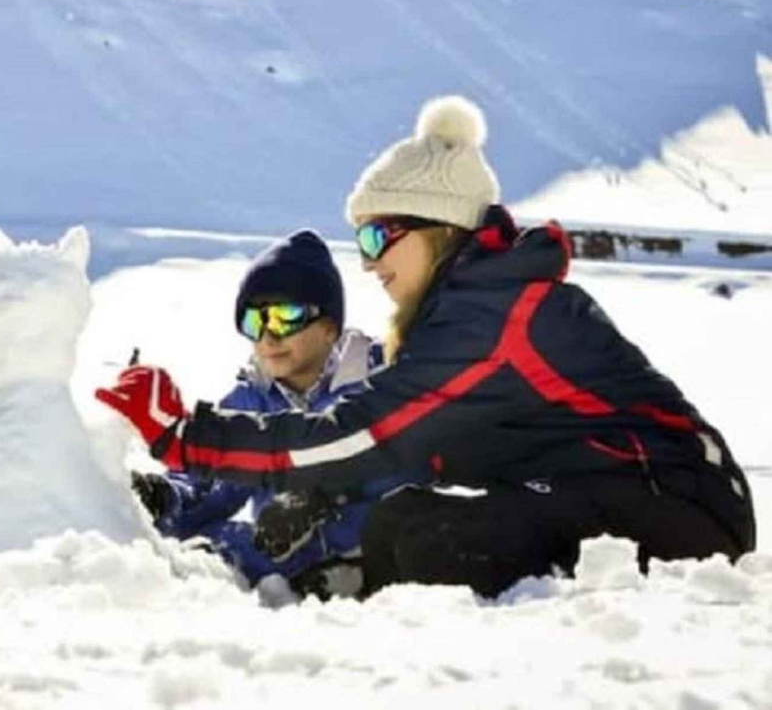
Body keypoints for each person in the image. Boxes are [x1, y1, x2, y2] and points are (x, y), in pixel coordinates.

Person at [98, 95, 755, 598]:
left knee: (430, 536)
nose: (368, 263)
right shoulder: (471, 309)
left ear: (438, 227)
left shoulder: (494, 315)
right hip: (626, 494)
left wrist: (185, 436)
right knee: (409, 525)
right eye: (361, 242)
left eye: (377, 237)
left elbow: (365, 433)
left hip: (677, 502)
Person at [130, 230, 401, 596]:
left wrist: (322, 497)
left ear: (329, 328)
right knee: (206, 547)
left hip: (379, 545)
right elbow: (214, 480)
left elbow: (408, 461)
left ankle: (353, 573)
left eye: (285, 317)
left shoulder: (380, 379)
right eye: (254, 322)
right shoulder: (254, 398)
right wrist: (166, 496)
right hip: (282, 553)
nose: (268, 338)